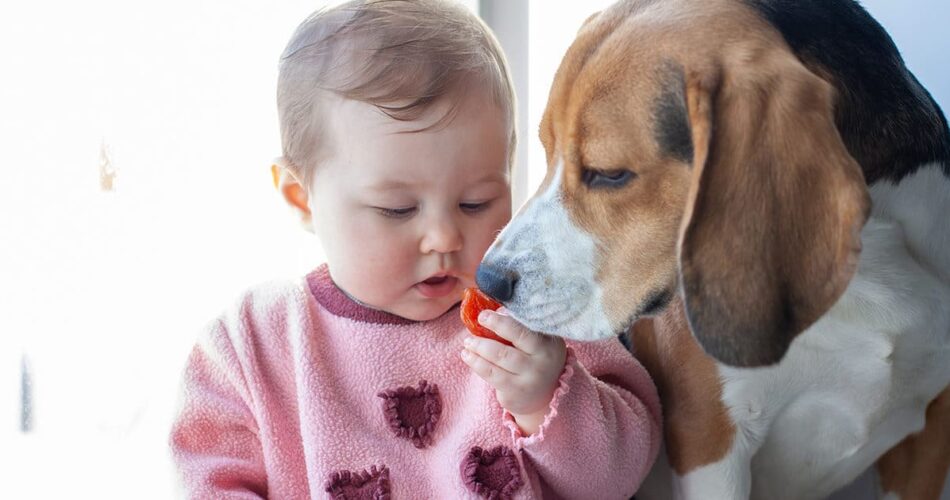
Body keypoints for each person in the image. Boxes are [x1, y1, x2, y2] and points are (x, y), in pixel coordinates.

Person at [169, 1, 661, 498]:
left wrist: (547, 398)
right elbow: (206, 480)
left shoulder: (535, 308)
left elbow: (622, 475)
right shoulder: (252, 344)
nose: (444, 237)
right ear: (303, 200)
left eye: (476, 202)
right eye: (398, 209)